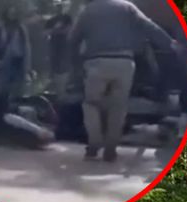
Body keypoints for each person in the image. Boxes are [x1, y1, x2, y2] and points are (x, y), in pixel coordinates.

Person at [69, 0, 179, 161]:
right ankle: (111, 147)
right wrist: (170, 43)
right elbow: (149, 26)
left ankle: (94, 141)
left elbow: (73, 39)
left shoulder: (88, 11)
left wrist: (76, 65)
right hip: (124, 62)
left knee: (91, 103)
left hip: (96, 62)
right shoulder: (127, 7)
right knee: (118, 106)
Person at [0, 2, 31, 117]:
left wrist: (27, 67)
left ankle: (13, 116)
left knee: (16, 93)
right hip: (2, 65)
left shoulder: (21, 29)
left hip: (17, 64)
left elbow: (26, 48)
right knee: (1, 92)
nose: (13, 13)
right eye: (11, 11)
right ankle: (0, 116)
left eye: (15, 11)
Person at [45, 2, 74, 96]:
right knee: (53, 65)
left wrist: (56, 31)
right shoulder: (51, 20)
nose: (59, 9)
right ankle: (53, 84)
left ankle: (64, 85)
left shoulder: (67, 18)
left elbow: (69, 30)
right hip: (53, 45)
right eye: (57, 7)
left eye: (60, 7)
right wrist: (57, 30)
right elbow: (45, 33)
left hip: (65, 46)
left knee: (64, 67)